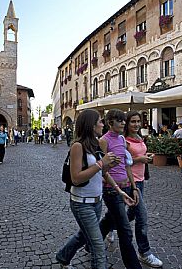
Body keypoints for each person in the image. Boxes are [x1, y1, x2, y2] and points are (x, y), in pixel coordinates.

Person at [56, 109, 125, 269]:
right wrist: (101, 163)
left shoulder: (95, 143)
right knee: (98, 246)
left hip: (97, 202)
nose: (103, 124)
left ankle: (63, 257)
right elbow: (76, 177)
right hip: (82, 203)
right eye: (100, 121)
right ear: (91, 125)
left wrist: (117, 187)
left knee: (83, 236)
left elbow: (101, 172)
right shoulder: (77, 146)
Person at [99, 109, 142, 269]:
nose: (124, 123)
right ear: (110, 123)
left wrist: (134, 187)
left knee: (108, 220)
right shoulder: (103, 141)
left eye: (124, 120)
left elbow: (127, 165)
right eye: (120, 120)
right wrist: (109, 165)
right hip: (111, 190)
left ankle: (89, 244)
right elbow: (102, 169)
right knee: (125, 229)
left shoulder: (123, 139)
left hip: (126, 187)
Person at [124, 111, 163, 268]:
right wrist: (139, 159)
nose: (136, 124)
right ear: (126, 123)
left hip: (140, 181)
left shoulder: (139, 137)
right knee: (142, 217)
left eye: (138, 121)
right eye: (133, 121)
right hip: (130, 182)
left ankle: (107, 228)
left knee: (129, 214)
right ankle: (144, 252)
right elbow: (123, 162)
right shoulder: (124, 141)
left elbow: (140, 155)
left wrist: (146, 156)